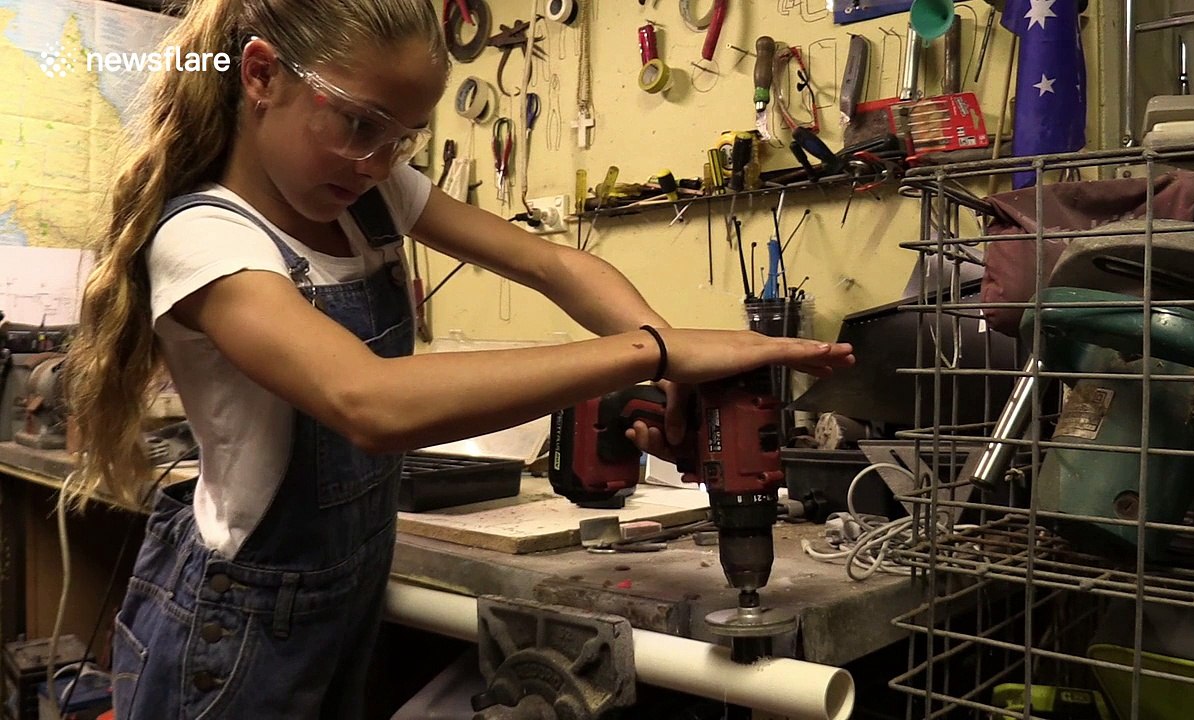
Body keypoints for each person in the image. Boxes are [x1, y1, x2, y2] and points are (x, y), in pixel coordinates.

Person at [64, 0, 855, 717]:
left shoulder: (369, 194)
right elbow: (368, 402)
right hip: (234, 628)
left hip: (345, 601)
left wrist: (666, 363)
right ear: (263, 75)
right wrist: (646, 350)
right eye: (359, 123)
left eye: (403, 136)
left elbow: (551, 265)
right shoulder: (205, 238)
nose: (378, 161)